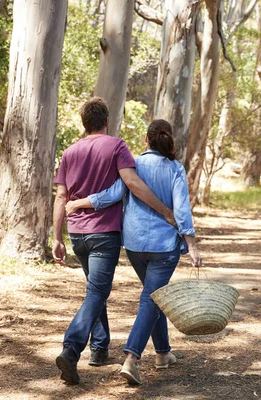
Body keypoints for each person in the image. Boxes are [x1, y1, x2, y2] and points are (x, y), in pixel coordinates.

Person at [66, 119, 202, 385]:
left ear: (145, 139)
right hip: (164, 246)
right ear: (168, 139)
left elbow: (112, 194)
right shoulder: (174, 168)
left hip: (135, 244)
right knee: (151, 299)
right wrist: (192, 243)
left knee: (154, 296)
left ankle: (162, 353)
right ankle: (132, 358)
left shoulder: (133, 165)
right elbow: (181, 209)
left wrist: (82, 203)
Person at [52, 98, 175, 385]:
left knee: (95, 288)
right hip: (104, 232)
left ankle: (99, 347)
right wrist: (165, 211)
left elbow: (60, 196)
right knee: (97, 291)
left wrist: (56, 237)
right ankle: (71, 349)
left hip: (77, 233)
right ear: (106, 120)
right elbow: (131, 183)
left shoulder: (70, 152)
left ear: (84, 123)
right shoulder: (116, 146)